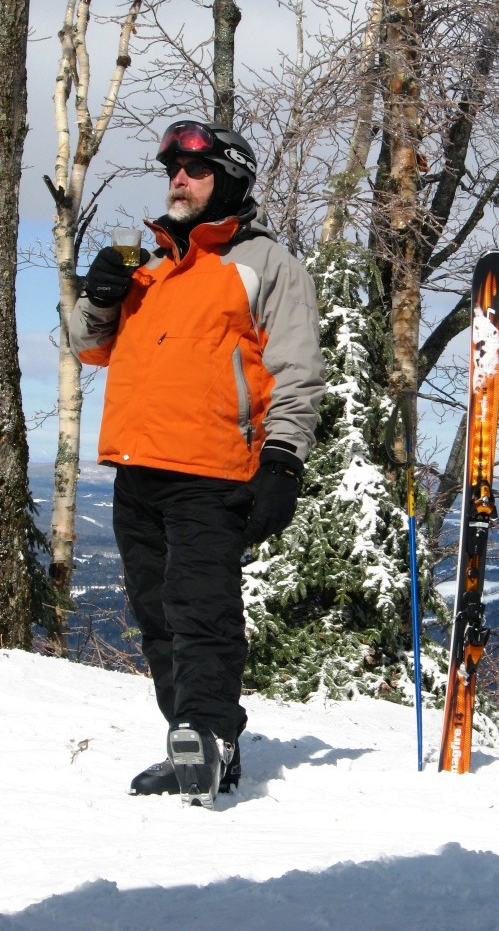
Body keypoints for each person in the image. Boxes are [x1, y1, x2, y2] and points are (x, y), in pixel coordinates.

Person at [69, 120, 326, 808]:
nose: (176, 180)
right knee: (156, 616)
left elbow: (297, 372)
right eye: (171, 171)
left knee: (201, 611)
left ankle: (212, 738)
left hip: (213, 473)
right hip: (136, 466)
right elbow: (88, 348)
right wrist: (98, 295)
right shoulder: (147, 266)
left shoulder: (266, 263)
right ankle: (186, 742)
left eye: (193, 170)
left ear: (230, 178)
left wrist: (283, 462)